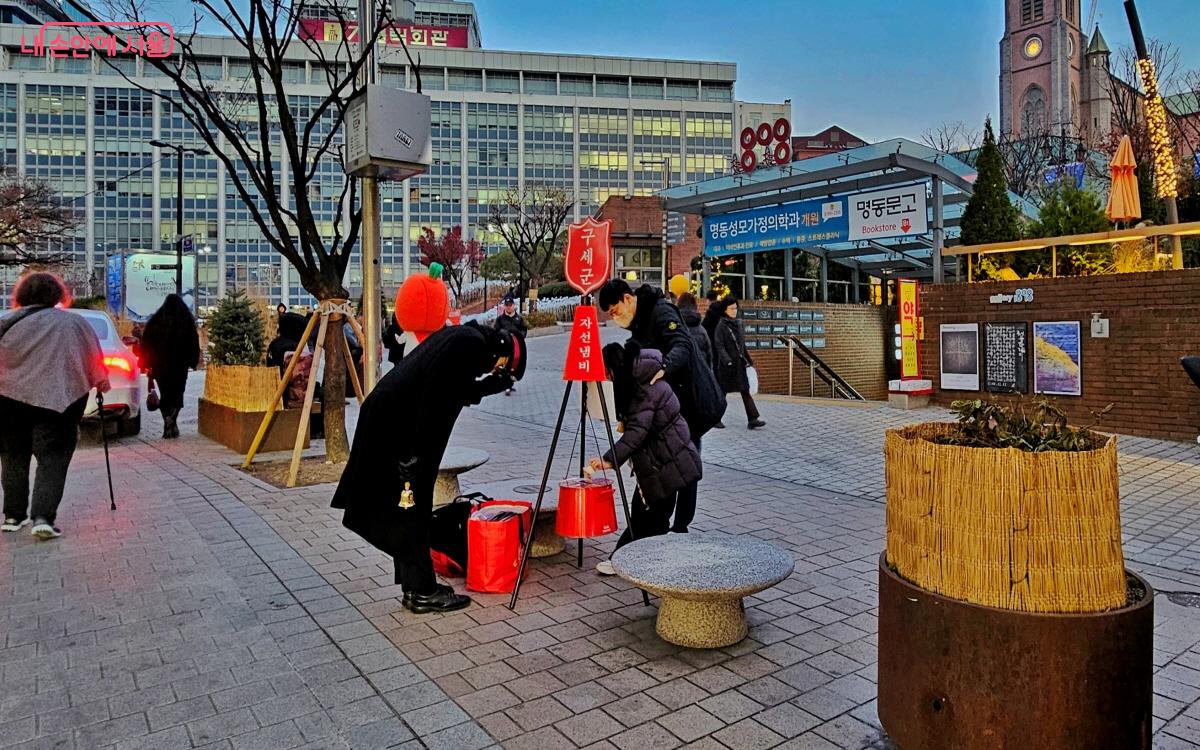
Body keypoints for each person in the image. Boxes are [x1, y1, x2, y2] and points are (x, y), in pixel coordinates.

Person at [331, 322, 526, 614]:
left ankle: (415, 586)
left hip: (391, 421)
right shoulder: (469, 345)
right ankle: (423, 591)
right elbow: (432, 399)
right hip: (400, 431)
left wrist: (491, 386)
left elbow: (453, 390)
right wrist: (412, 453)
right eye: (501, 367)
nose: (493, 370)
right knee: (412, 508)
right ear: (501, 351)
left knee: (407, 509)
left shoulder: (465, 337)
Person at [597, 279, 724, 534]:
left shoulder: (660, 310)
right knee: (680, 458)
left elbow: (682, 345)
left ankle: (680, 526)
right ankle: (669, 525)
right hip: (671, 403)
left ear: (627, 298)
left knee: (685, 460)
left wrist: (665, 367)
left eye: (614, 311)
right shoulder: (639, 322)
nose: (614, 318)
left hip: (692, 401)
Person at [0, 272, 110, 539]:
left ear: (21, 295)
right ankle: (42, 518)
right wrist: (100, 382)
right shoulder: (74, 324)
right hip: (59, 401)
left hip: (9, 400)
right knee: (53, 458)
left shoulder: (5, 322)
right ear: (57, 295)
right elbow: (93, 357)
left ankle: (13, 516)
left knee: (13, 456)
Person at [589, 341, 701, 575]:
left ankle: (628, 561)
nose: (607, 379)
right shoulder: (642, 376)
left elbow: (637, 433)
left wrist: (609, 459)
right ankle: (632, 560)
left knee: (649, 515)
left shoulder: (642, 389)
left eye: (606, 373)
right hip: (667, 457)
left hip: (666, 462)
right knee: (648, 514)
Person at [138, 294, 201, 439]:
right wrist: (193, 361)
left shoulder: (155, 322)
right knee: (177, 395)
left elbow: (146, 344)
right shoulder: (186, 323)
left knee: (165, 395)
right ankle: (172, 419)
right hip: (180, 366)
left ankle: (167, 420)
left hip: (160, 367)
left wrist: (146, 364)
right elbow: (193, 343)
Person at [712, 297, 765, 429]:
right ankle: (715, 419)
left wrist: (748, 360)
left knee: (745, 390)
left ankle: (753, 419)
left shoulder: (740, 324)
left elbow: (741, 345)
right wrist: (727, 360)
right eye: (731, 308)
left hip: (739, 364)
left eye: (736, 308)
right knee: (722, 393)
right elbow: (719, 345)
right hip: (727, 366)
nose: (734, 311)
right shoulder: (721, 326)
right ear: (725, 310)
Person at [493, 296, 527, 395]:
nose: (508, 307)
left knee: (515, 366)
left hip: (517, 348)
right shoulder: (500, 319)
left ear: (513, 306)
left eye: (510, 305)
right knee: (504, 365)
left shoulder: (519, 319)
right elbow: (496, 331)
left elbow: (524, 330)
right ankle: (506, 385)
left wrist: (520, 337)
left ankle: (510, 384)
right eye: (506, 305)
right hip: (505, 347)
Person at [676, 293, 711, 369]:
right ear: (695, 306)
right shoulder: (702, 330)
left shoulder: (674, 327)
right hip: (699, 372)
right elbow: (709, 356)